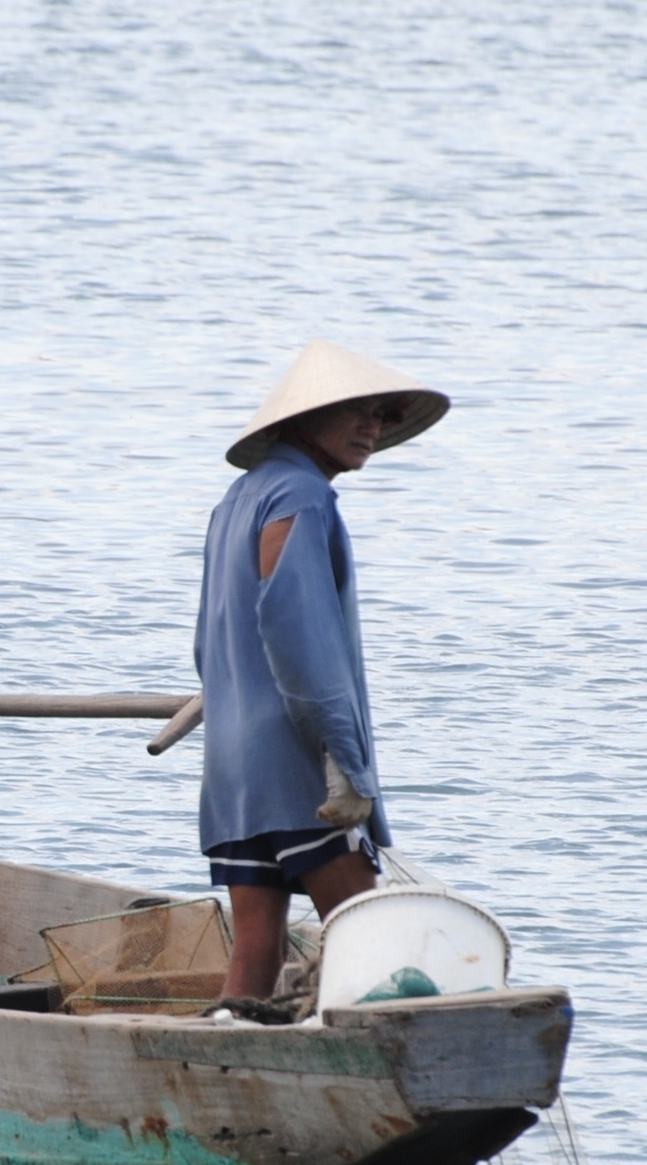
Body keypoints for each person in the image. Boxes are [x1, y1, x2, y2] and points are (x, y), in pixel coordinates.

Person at [196, 340, 450, 999]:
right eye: (354, 412)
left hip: (232, 764)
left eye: (381, 414)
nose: (371, 425)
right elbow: (298, 637)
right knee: (368, 937)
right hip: (296, 764)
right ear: (303, 419)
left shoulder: (236, 500)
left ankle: (230, 1065)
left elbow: (207, 646)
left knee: (254, 957)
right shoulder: (302, 497)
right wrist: (342, 757)